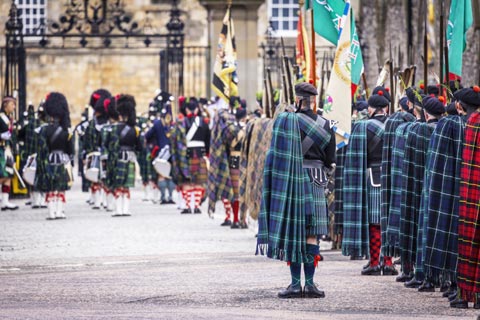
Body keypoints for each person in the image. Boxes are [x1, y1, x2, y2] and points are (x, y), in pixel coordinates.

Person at [257, 82, 335, 298]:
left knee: (294, 234)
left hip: (292, 181)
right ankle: (310, 284)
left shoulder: (286, 122)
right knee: (312, 236)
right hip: (317, 182)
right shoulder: (327, 124)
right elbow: (331, 160)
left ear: (298, 100)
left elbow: (276, 156)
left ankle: (294, 285)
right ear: (313, 100)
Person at [342, 89, 398, 276]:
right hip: (395, 179)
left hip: (373, 177)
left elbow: (357, 158)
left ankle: (375, 262)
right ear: (386, 108)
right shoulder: (397, 125)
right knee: (389, 222)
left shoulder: (363, 127)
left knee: (375, 223)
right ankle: (388, 262)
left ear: (372, 108)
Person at [450, 86, 480, 309]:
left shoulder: (471, 124)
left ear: (460, 106)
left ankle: (466, 294)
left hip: (470, 190)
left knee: (468, 242)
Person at [34, 92, 74, 220]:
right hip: (62, 160)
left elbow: (41, 149)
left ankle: (51, 213)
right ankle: (60, 212)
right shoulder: (66, 130)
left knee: (51, 187)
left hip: (49, 160)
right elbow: (70, 150)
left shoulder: (44, 130)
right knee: (61, 187)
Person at [104, 95, 142, 217]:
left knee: (118, 185)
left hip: (117, 158)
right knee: (126, 186)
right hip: (130, 157)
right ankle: (125, 209)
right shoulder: (135, 130)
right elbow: (140, 147)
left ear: (119, 114)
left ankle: (118, 210)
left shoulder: (112, 129)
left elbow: (106, 144)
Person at [171, 98, 210, 214]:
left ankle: (188, 206)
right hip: (200, 152)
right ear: (197, 109)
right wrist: (207, 153)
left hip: (186, 153)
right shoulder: (204, 122)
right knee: (198, 181)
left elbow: (174, 140)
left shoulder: (181, 123)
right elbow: (208, 139)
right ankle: (196, 205)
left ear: (186, 109)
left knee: (186, 181)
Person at [0, 96, 19, 211]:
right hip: (0, 148)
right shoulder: (1, 117)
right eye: (12, 104)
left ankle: (5, 202)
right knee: (1, 175)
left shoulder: (9, 118)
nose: (14, 107)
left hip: (7, 149)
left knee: (8, 175)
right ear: (5, 105)